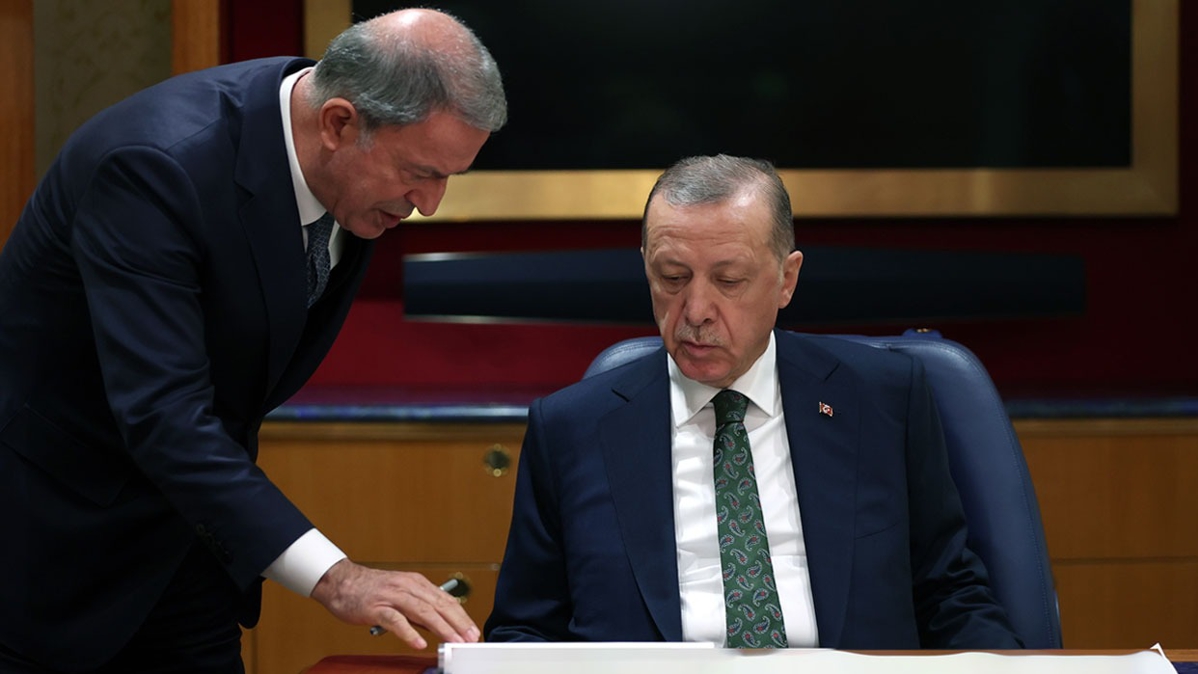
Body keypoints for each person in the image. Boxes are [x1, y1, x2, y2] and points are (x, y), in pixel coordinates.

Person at [0, 8, 505, 673]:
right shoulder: (153, 167)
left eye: (448, 177)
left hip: (193, 542)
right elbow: (163, 414)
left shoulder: (344, 164)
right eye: (421, 172)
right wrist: (338, 578)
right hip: (52, 549)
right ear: (339, 124)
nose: (430, 204)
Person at [484, 155, 1022, 650]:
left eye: (729, 280)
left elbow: (949, 593)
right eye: (672, 278)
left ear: (786, 279)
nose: (696, 310)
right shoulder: (571, 428)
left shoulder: (882, 399)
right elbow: (523, 630)